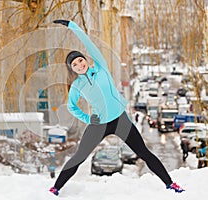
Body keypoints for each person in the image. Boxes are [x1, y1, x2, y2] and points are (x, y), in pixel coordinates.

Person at [49, 20, 185, 196]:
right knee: (79, 157)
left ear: (85, 60)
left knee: (143, 152)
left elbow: (88, 44)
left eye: (80, 60)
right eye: (74, 65)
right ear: (72, 69)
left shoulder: (100, 68)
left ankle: (170, 183)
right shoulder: (76, 86)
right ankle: (56, 188)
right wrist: (88, 118)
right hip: (99, 124)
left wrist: (72, 26)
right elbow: (72, 107)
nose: (79, 65)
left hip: (120, 119)